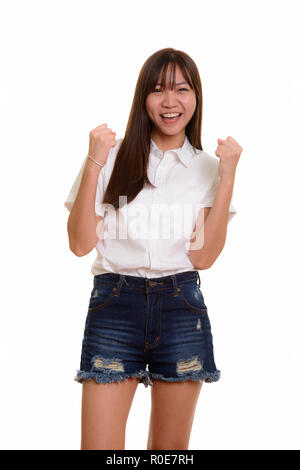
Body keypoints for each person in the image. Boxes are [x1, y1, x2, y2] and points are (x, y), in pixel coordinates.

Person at [64, 47, 242, 451]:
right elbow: (79, 244)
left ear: (196, 97)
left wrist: (228, 177)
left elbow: (204, 257)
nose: (170, 101)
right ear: (143, 96)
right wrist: (94, 161)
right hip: (115, 305)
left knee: (169, 453)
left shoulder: (209, 168)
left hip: (181, 308)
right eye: (158, 89)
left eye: (181, 89)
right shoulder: (111, 157)